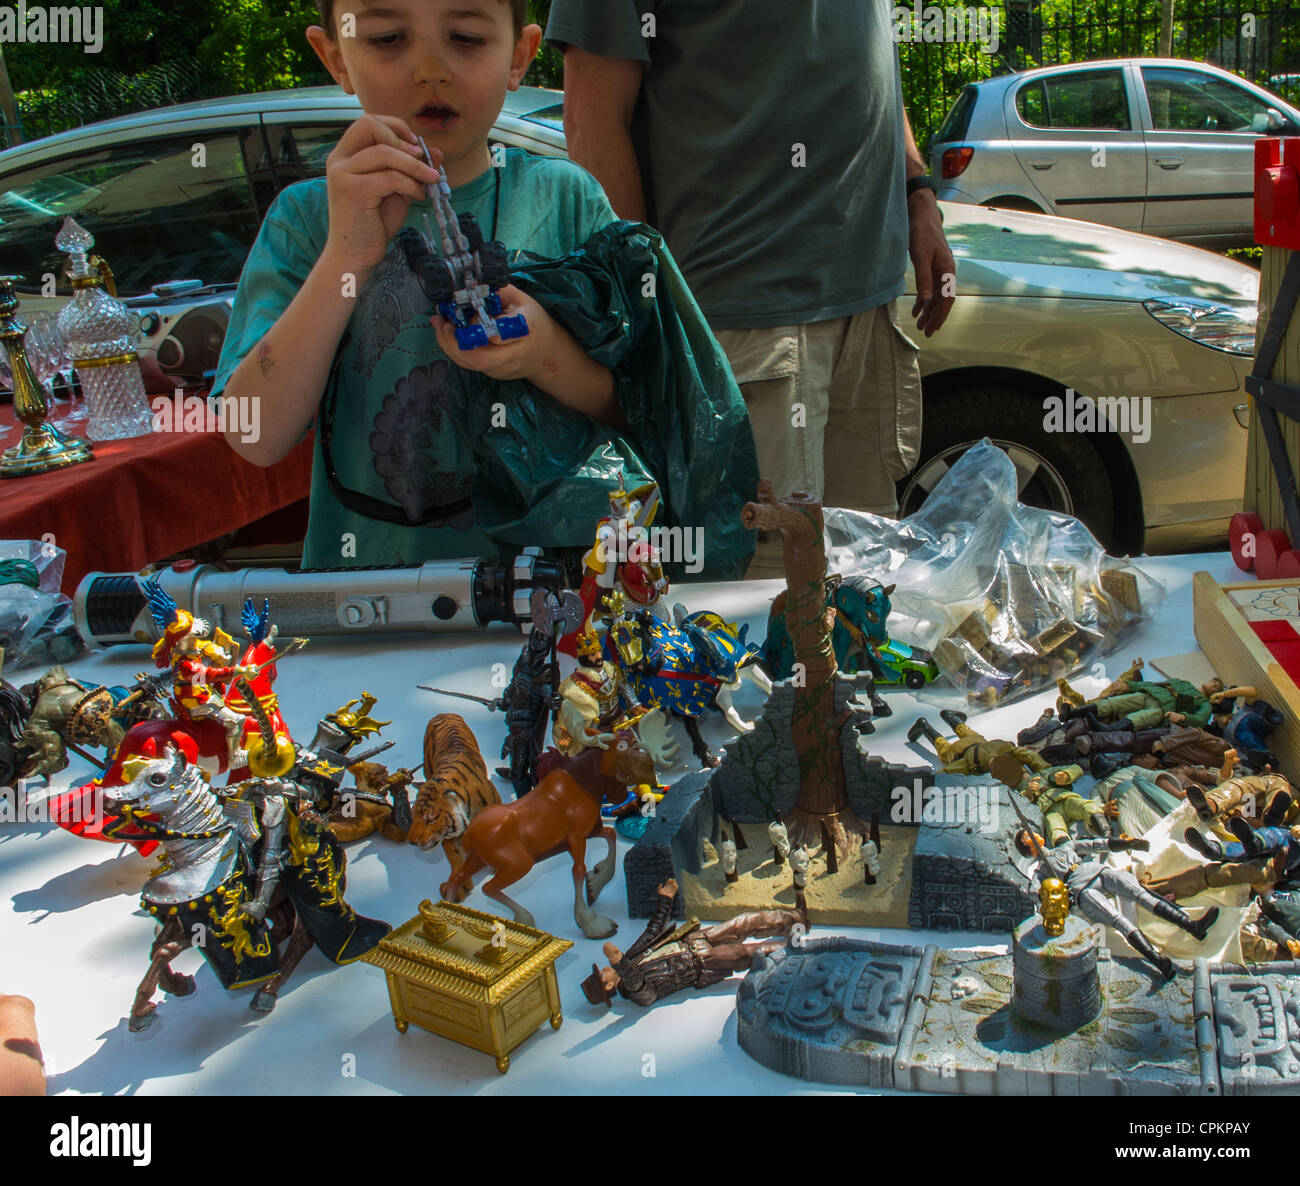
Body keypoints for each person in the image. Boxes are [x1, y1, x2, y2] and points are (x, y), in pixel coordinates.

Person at [211, 0, 757, 574]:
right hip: (367, 610)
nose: (430, 68)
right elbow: (255, 436)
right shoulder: (306, 220)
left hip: (558, 609)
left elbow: (647, 411)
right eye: (389, 38)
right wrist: (348, 254)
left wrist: (547, 354)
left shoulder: (566, 202)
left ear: (519, 56)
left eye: (466, 38)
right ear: (335, 58)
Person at [548, 1, 956, 576]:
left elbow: (874, 55)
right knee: (759, 616)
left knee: (864, 588)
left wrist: (919, 192)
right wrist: (652, 319)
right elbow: (593, 124)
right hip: (740, 328)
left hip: (870, 308)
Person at [581, 877, 805, 1007]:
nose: (603, 969)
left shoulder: (631, 957)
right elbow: (644, 989)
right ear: (609, 986)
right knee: (750, 953)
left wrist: (665, 900)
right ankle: (797, 949)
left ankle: (796, 921)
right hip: (700, 963)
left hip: (694, 941)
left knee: (744, 923)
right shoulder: (635, 994)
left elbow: (652, 933)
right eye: (602, 975)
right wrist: (619, 962)